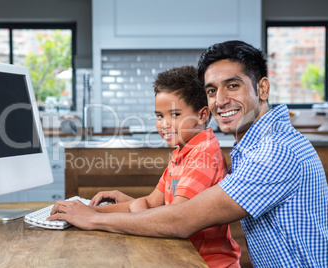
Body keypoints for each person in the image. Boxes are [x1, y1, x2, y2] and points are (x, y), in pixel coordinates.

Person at [48, 41, 328, 267]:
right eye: (212, 91)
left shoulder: (274, 152)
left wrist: (93, 218)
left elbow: (181, 219)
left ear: (262, 88)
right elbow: (161, 206)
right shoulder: (259, 145)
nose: (220, 101)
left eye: (232, 85)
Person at [81, 66, 240, 267]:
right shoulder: (183, 152)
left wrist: (130, 207)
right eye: (159, 116)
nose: (164, 124)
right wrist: (90, 211)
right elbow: (152, 203)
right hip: (184, 257)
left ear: (202, 115)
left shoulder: (204, 156)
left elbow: (172, 220)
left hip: (205, 263)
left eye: (174, 114)